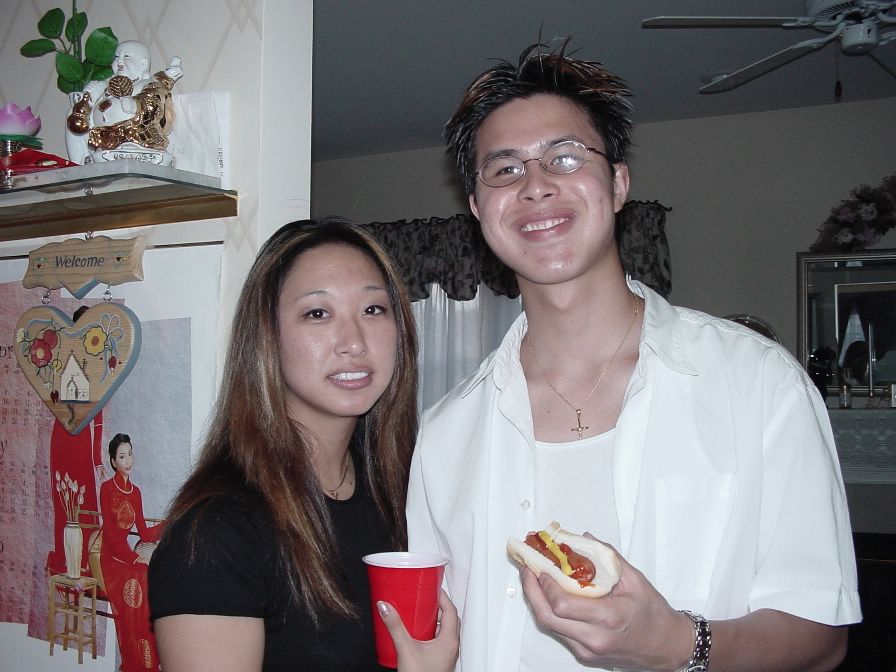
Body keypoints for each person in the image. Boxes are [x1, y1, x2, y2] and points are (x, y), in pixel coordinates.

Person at [406, 40, 860, 672]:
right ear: (479, 208)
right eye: (504, 170)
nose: (535, 186)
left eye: (565, 158)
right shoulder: (445, 433)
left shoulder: (758, 383)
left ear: (618, 183)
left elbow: (821, 635)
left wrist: (677, 643)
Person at [148, 219, 458, 672]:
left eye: (373, 309)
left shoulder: (405, 494)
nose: (354, 343)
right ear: (267, 338)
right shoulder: (215, 535)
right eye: (318, 313)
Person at [99, 432, 164, 672]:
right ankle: (135, 662)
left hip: (126, 558)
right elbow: (111, 536)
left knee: (146, 575)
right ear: (113, 461)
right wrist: (135, 558)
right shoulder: (107, 489)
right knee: (139, 576)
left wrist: (170, 521)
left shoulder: (135, 492)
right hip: (111, 558)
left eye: (130, 454)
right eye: (122, 456)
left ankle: (148, 659)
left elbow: (144, 534)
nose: (128, 460)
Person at [65, 39, 183, 165]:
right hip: (103, 137)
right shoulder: (105, 86)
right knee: (72, 113)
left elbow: (154, 100)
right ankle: (79, 162)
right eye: (116, 57)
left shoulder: (146, 84)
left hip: (135, 135)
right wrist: (83, 100)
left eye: (126, 56)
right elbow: (88, 103)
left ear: (143, 63)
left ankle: (131, 149)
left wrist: (136, 106)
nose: (119, 60)